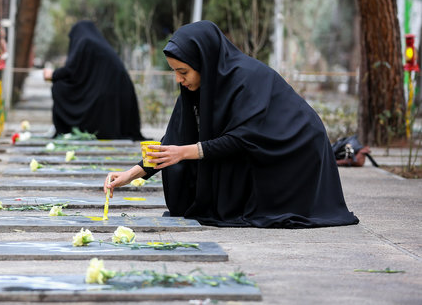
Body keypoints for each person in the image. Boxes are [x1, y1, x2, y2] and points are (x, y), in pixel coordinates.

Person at [104, 20, 359, 228]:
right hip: (257, 147)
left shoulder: (247, 78)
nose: (179, 80)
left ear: (204, 62)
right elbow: (173, 142)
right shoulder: (198, 86)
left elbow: (243, 138)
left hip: (294, 153)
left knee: (209, 162)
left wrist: (185, 152)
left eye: (183, 72)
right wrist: (130, 175)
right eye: (175, 72)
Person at [43, 20, 145, 140]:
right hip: (117, 94)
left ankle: (66, 129)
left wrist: (53, 75)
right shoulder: (95, 43)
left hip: (106, 94)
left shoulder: (85, 42)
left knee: (59, 87)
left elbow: (72, 70)